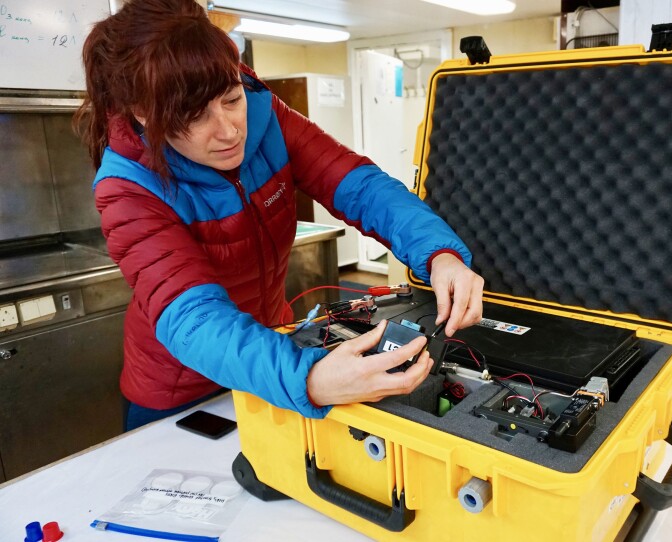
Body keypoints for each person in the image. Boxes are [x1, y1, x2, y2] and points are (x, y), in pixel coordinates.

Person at [75, 0, 484, 431]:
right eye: (195, 117)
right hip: (182, 391)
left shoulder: (264, 114)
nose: (230, 130)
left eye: (231, 98)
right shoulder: (127, 186)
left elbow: (359, 186)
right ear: (144, 115)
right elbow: (192, 319)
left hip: (275, 347)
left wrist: (439, 253)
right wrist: (307, 377)